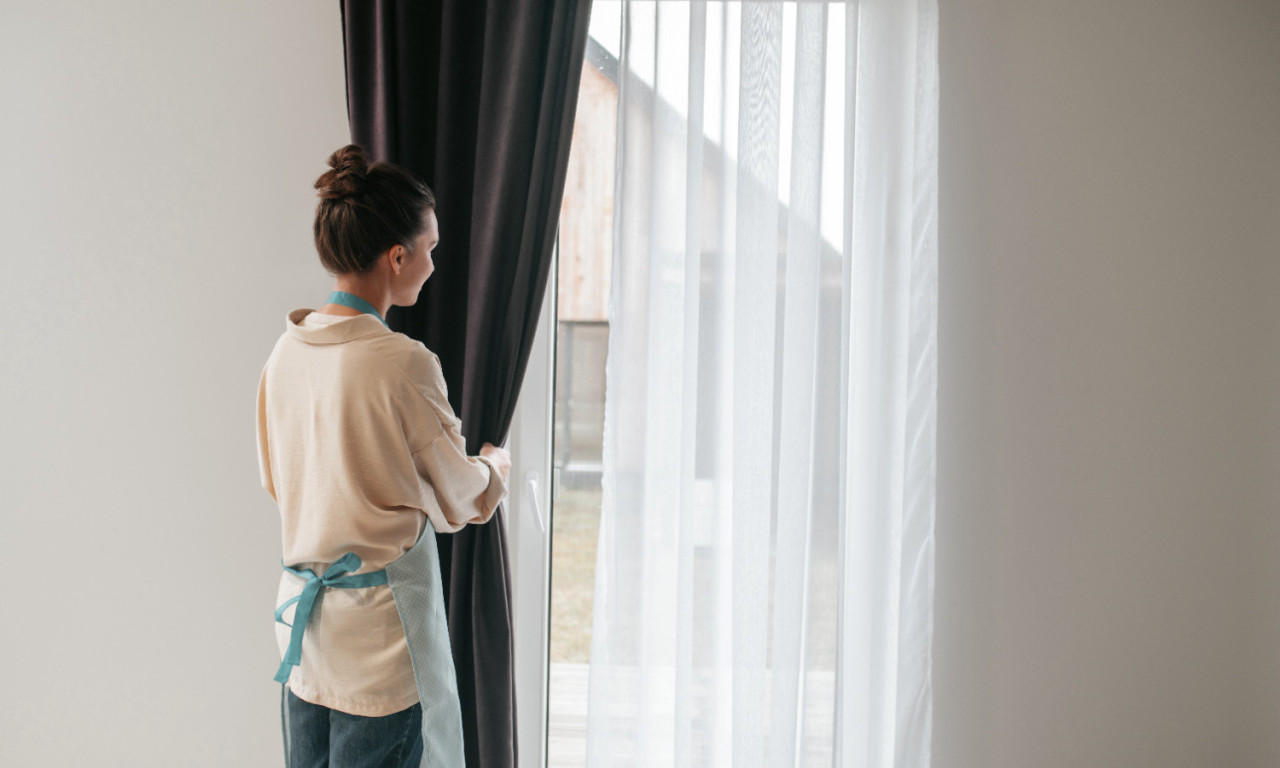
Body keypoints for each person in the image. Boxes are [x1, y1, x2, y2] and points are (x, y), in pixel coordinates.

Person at [256, 144, 511, 767]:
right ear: (398, 257)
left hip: (305, 638)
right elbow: (461, 495)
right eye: (431, 249)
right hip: (381, 649)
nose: (432, 263)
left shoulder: (284, 355)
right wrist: (496, 468)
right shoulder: (403, 363)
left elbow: (284, 484)